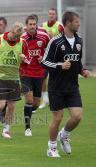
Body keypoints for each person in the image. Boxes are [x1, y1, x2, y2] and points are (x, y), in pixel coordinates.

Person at [41, 11, 90, 158]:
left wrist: (82, 71)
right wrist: (60, 65)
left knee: (77, 116)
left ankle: (64, 135)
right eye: (76, 21)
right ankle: (51, 147)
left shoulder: (79, 41)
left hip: (72, 87)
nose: (78, 23)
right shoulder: (55, 42)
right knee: (57, 118)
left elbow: (77, 62)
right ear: (68, 23)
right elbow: (44, 61)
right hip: (56, 87)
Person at [0, 22, 29, 139]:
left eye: (18, 37)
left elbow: (28, 60)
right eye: (15, 36)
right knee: (0, 105)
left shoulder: (22, 43)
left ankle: (6, 130)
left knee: (11, 106)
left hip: (14, 78)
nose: (16, 39)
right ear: (11, 31)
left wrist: (24, 59)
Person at [20, 15, 50, 136]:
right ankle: (27, 128)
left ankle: (27, 112)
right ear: (26, 26)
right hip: (25, 72)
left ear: (36, 25)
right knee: (29, 99)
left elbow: (51, 50)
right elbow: (15, 52)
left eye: (34, 24)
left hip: (39, 73)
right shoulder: (21, 39)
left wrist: (44, 58)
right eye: (30, 24)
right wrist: (20, 57)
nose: (32, 26)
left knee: (36, 104)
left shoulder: (44, 36)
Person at [39, 8, 64, 110]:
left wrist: (52, 37)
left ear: (56, 15)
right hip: (46, 56)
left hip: (57, 56)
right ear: (48, 15)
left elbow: (63, 39)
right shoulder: (42, 26)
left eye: (53, 14)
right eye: (50, 14)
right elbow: (40, 38)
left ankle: (59, 100)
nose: (51, 15)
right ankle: (45, 100)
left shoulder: (59, 26)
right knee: (43, 78)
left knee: (57, 78)